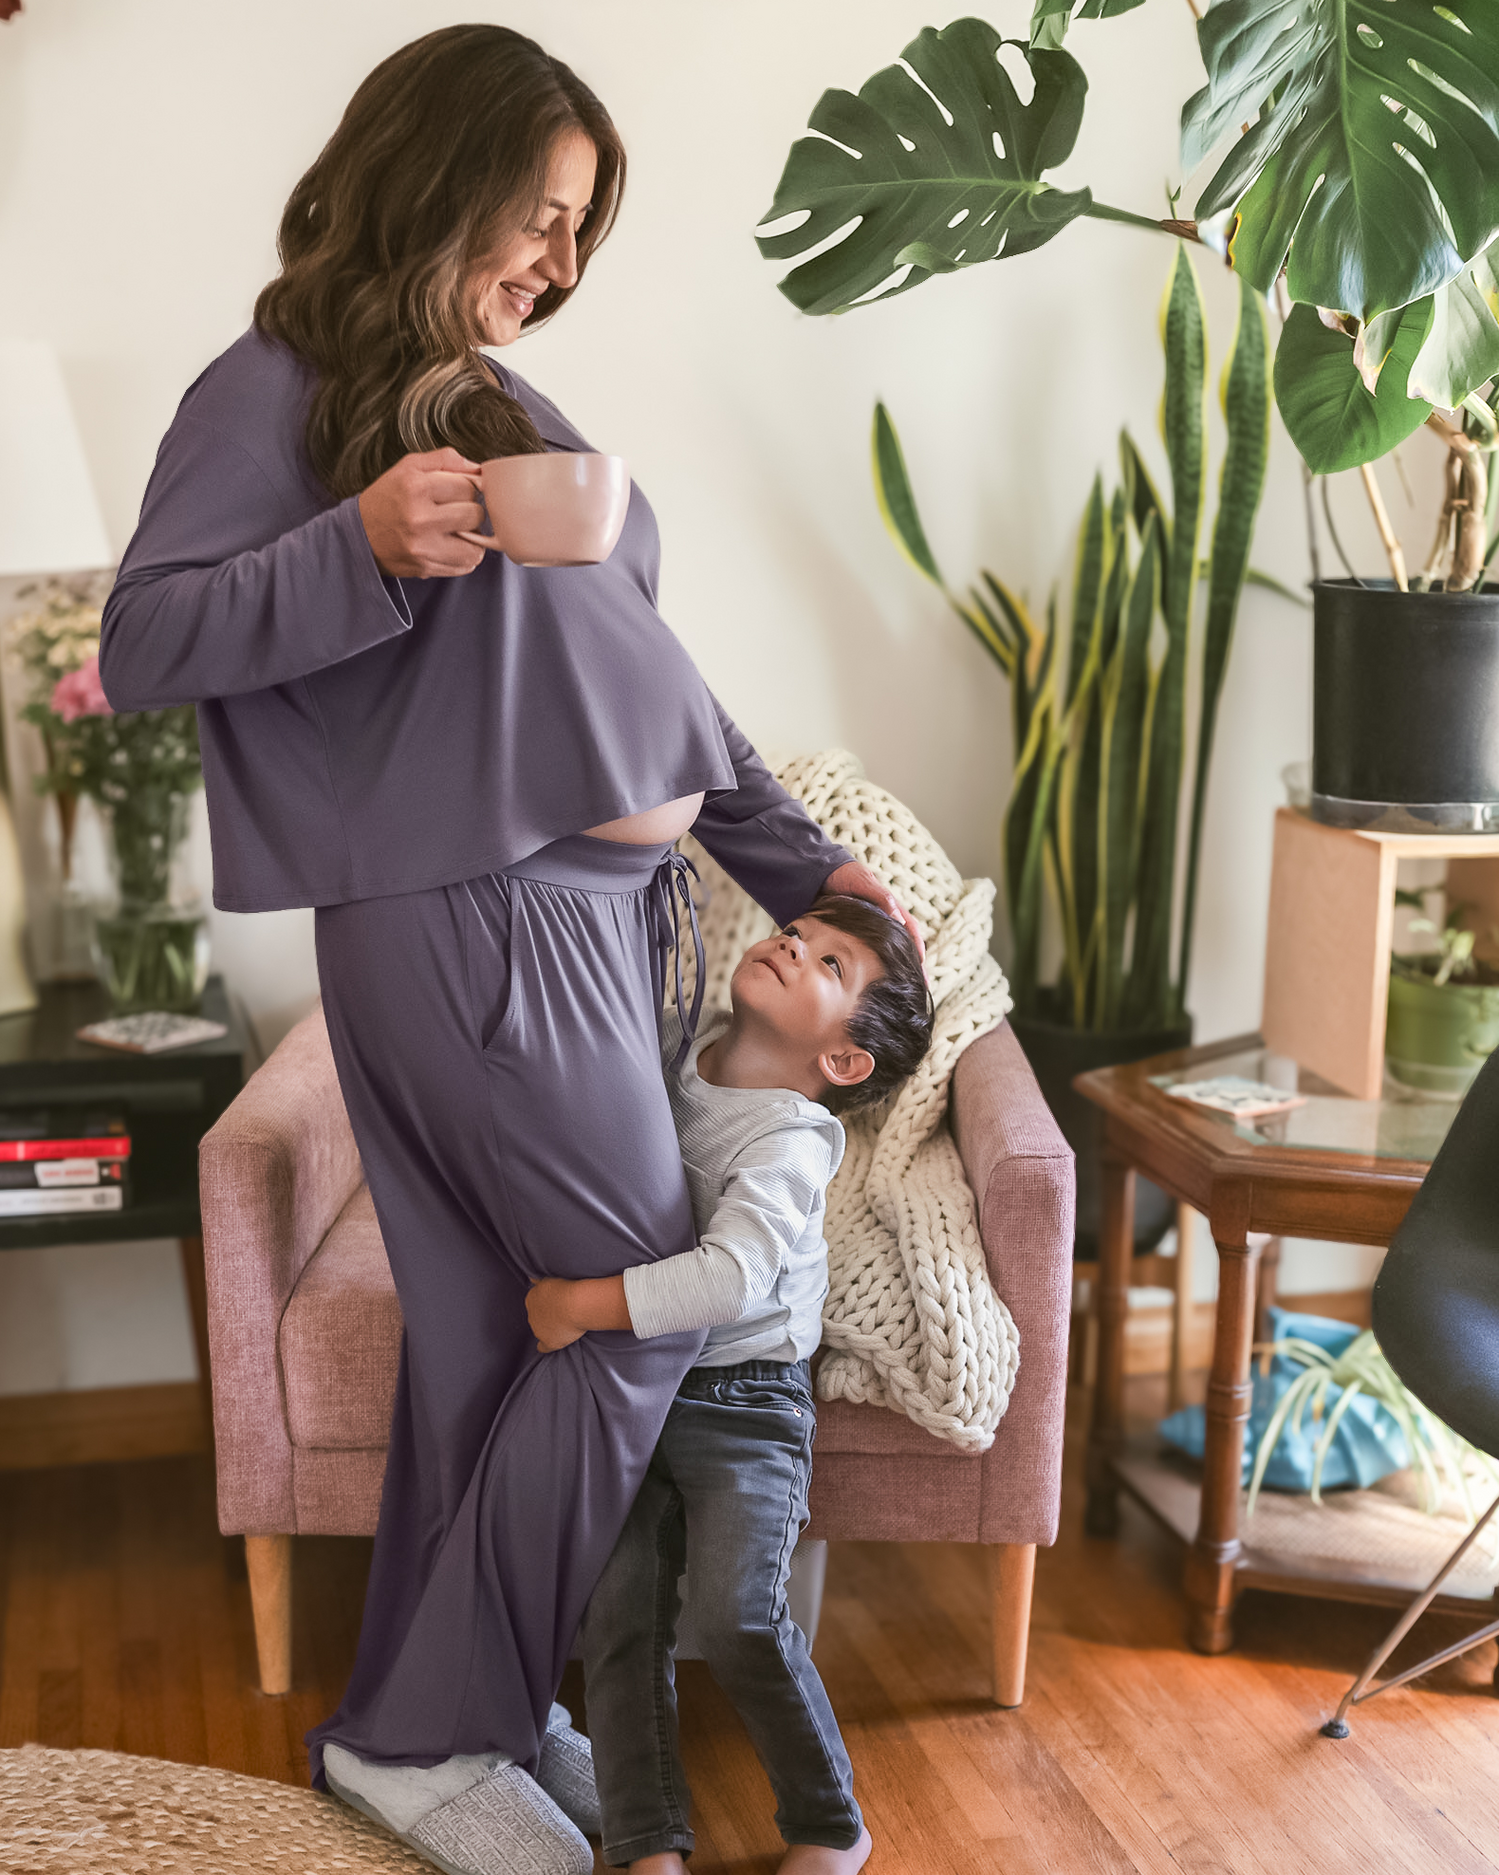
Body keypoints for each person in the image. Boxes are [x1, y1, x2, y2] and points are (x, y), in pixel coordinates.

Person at [98, 24, 920, 1875]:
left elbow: (653, 702)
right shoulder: (282, 384)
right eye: (537, 213)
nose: (555, 259)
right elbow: (144, 641)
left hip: (580, 935)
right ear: (433, 169)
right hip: (469, 935)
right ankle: (417, 1737)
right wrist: (366, 544)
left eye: (579, 232)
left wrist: (817, 876)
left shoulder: (485, 393)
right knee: (634, 1319)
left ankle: (448, 1707)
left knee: (485, 1349)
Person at [525, 896, 934, 1875]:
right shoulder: (687, 1048)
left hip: (745, 1400)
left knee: (739, 1613)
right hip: (640, 1386)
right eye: (801, 932)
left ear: (842, 1063)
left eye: (831, 965)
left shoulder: (790, 1141)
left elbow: (729, 1277)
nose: (795, 946)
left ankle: (831, 1824)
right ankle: (644, 1841)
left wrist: (581, 1304)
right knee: (616, 1613)